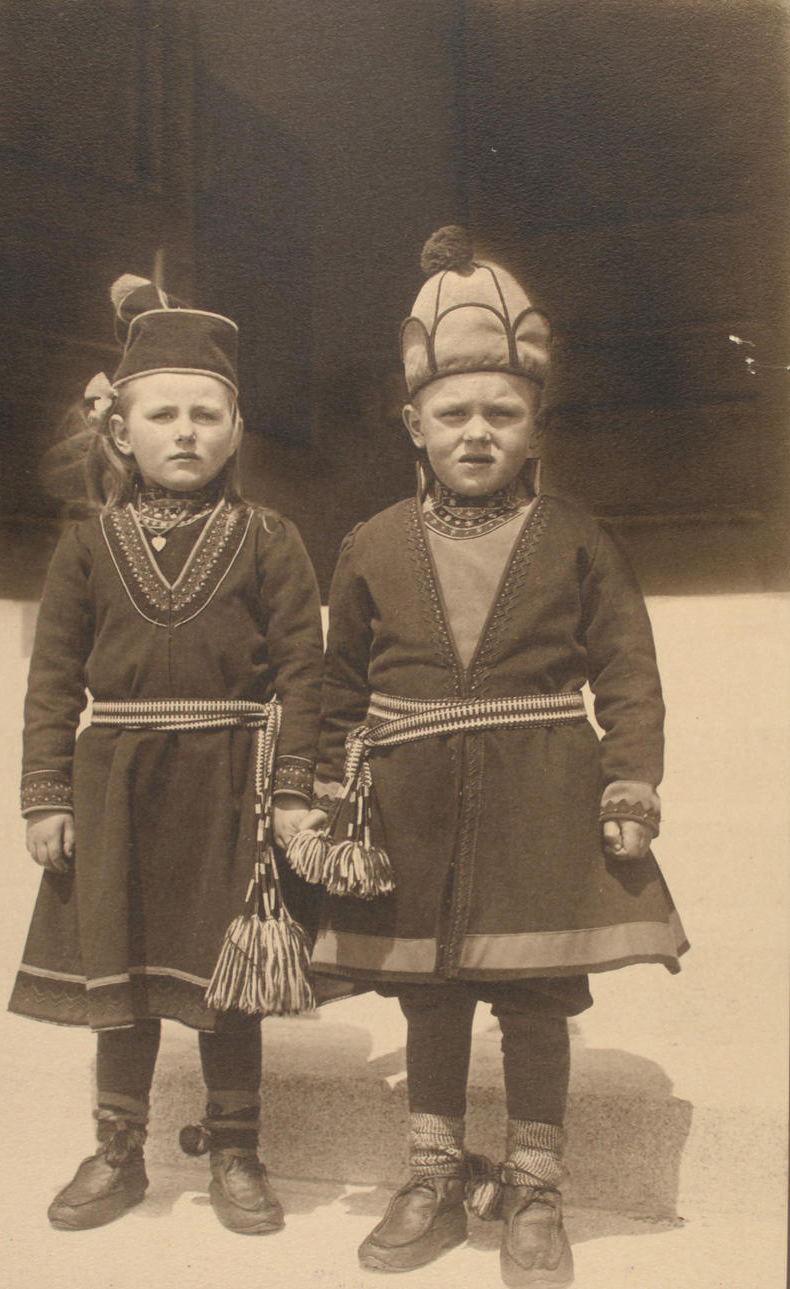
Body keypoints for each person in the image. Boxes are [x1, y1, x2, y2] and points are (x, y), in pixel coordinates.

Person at [288, 227, 688, 1285]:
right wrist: (321, 792)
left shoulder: (580, 539)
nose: (477, 432)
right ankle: (428, 1169)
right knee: (430, 994)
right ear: (412, 423)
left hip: (542, 800)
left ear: (533, 424)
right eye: (454, 414)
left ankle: (535, 1182)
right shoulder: (370, 545)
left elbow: (629, 673)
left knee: (536, 994)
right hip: (412, 808)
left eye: (501, 414)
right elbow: (333, 688)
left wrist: (629, 780)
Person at [9, 274, 323, 1235]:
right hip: (119, 785)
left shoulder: (268, 537)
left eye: (205, 413)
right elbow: (55, 679)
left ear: (234, 430)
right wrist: (46, 794)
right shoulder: (86, 545)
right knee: (124, 973)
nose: (184, 430)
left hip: (232, 779)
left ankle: (235, 1148)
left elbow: (305, 673)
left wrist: (291, 790)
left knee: (229, 978)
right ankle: (118, 1150)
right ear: (122, 431)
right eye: (162, 413)